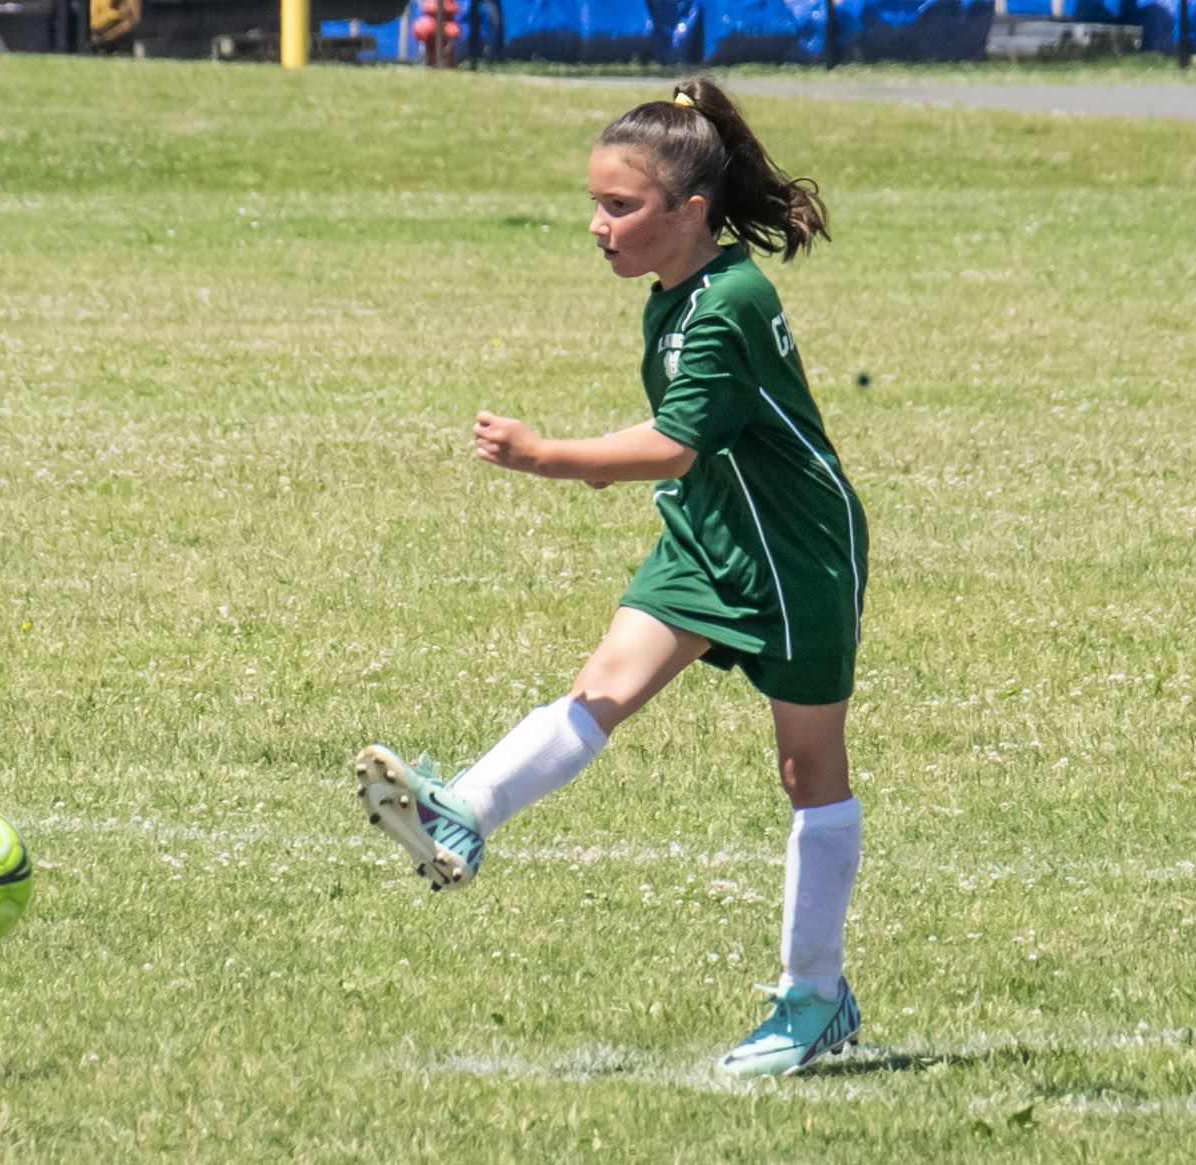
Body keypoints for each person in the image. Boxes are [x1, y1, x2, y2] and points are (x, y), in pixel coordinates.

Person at [353, 76, 868, 1079]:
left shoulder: (728, 303)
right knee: (607, 678)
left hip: (794, 549)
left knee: (808, 773)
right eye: (593, 202)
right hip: (712, 526)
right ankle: (464, 810)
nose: (597, 225)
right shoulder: (676, 292)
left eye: (619, 206)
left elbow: (674, 444)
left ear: (689, 211)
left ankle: (814, 995)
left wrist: (544, 454)